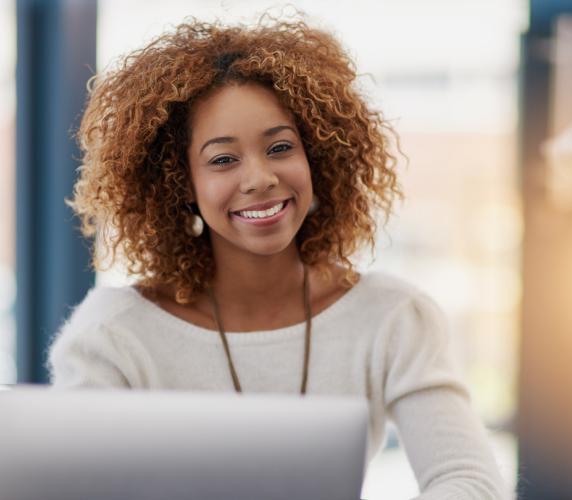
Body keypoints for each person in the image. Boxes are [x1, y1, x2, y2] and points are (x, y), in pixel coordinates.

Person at [48, 14, 509, 499]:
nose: (259, 178)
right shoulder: (113, 334)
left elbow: (469, 481)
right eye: (223, 159)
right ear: (181, 183)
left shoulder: (393, 319)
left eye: (280, 147)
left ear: (318, 157)